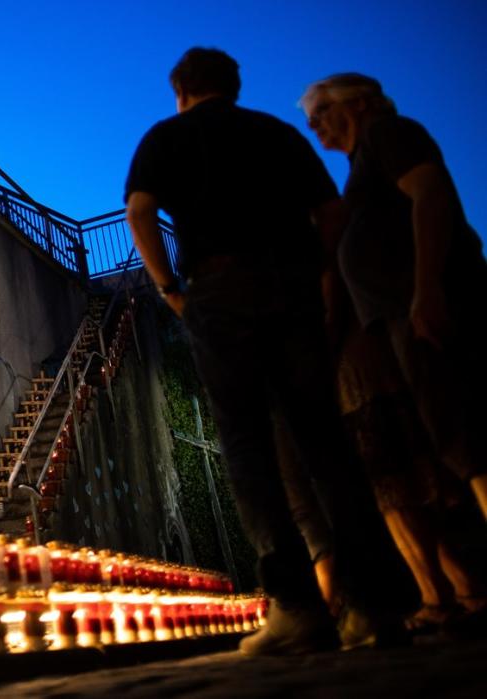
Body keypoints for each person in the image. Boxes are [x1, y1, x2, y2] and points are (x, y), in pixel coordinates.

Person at [125, 47, 401, 656]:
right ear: (234, 85)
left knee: (248, 445)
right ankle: (374, 605)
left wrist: (169, 288)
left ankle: (299, 607)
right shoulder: (276, 134)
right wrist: (319, 275)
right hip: (292, 290)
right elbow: (331, 214)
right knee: (324, 440)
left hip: (218, 291)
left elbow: (140, 211)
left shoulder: (166, 137)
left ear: (181, 91)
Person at [300, 74, 487, 628]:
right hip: (399, 315)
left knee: (467, 436)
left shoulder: (388, 134)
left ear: (356, 103)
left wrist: (426, 288)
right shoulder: (364, 161)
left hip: (425, 305)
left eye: (321, 114)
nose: (314, 128)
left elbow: (430, 195)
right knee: (454, 439)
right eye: (310, 120)